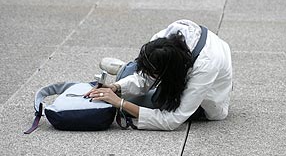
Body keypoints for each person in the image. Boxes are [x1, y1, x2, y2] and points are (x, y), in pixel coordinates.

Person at [85, 19, 232, 131]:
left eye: (154, 73)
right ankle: (125, 70)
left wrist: (120, 103)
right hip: (177, 69)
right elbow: (144, 77)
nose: (150, 75)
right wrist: (115, 87)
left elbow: (173, 120)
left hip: (206, 99)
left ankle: (124, 70)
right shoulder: (164, 38)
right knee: (131, 79)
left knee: (143, 103)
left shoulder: (206, 67)